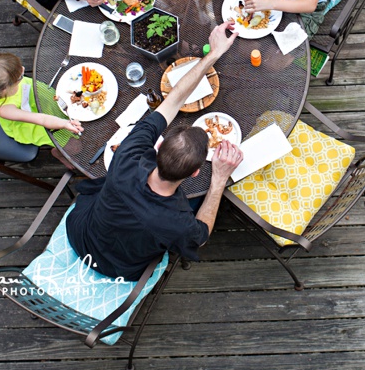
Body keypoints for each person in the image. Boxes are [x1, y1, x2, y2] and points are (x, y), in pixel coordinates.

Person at [65, 21, 243, 281]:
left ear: (157, 148)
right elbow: (201, 237)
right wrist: (218, 180)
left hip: (81, 230)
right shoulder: (177, 223)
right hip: (118, 267)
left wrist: (213, 54)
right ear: (196, 172)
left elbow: (173, 100)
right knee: (200, 199)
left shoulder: (127, 155)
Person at [0, 53, 83, 148]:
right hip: (33, 123)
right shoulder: (5, 109)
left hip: (39, 99)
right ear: (4, 89)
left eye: (21, 68)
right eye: (20, 77)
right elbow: (42, 119)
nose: (23, 70)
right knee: (75, 147)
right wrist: (64, 124)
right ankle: (58, 153)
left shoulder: (3, 78)